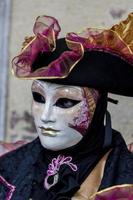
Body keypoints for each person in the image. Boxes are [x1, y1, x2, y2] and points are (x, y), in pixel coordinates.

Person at [0, 14, 133, 200]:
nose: (46, 116)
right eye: (38, 98)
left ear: (98, 108)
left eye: (66, 101)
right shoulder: (7, 167)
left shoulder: (125, 177)